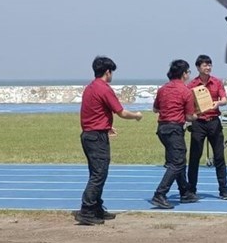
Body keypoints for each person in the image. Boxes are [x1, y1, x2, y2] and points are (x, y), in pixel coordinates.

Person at [75, 56, 143, 225]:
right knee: (99, 173)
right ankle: (87, 209)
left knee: (96, 172)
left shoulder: (90, 88)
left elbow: (91, 111)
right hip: (96, 137)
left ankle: (96, 208)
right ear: (108, 71)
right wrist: (136, 116)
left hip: (90, 133)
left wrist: (105, 126)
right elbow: (120, 112)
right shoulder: (104, 89)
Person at [150, 60, 198, 209]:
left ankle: (185, 191)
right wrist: (197, 115)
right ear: (184, 74)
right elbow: (189, 116)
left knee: (177, 160)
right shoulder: (186, 91)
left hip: (162, 128)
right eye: (188, 72)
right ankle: (160, 194)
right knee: (177, 162)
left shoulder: (163, 89)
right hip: (174, 129)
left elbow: (155, 109)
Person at [187, 54, 227, 200]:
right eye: (205, 65)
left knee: (219, 157)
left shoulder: (217, 82)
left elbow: (224, 99)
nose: (208, 67)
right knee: (194, 157)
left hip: (214, 121)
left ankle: (224, 190)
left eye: (209, 64)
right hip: (198, 122)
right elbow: (187, 104)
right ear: (198, 67)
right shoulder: (192, 85)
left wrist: (218, 103)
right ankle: (191, 189)